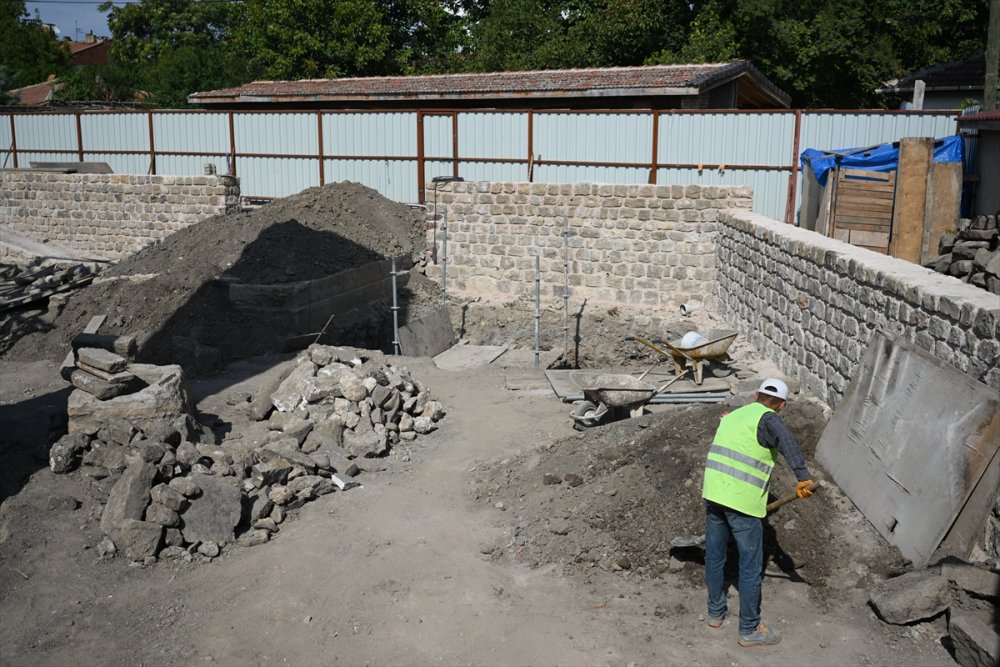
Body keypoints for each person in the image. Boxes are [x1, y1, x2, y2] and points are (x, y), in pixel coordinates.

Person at [701, 377, 814, 647]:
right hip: (742, 504)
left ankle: (715, 614)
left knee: (715, 557)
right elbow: (788, 441)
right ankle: (750, 628)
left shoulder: (732, 415)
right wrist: (803, 477)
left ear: (756, 395)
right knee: (750, 567)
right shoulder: (769, 419)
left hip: (714, 495)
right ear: (782, 405)